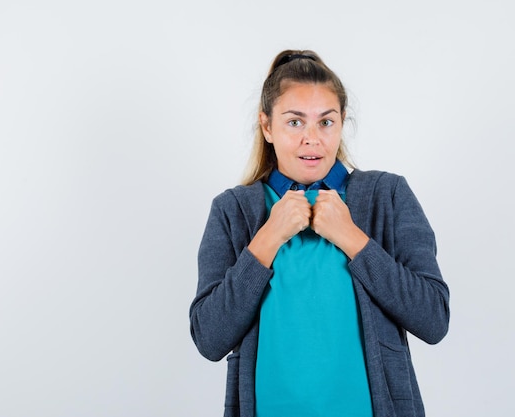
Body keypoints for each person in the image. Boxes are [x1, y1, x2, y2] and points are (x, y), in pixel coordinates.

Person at [189, 49, 450, 417]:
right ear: (267, 127)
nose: (312, 139)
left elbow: (434, 319)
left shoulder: (387, 196)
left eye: (325, 122)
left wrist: (353, 239)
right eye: (295, 122)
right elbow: (209, 338)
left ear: (342, 122)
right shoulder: (233, 210)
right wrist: (266, 240)